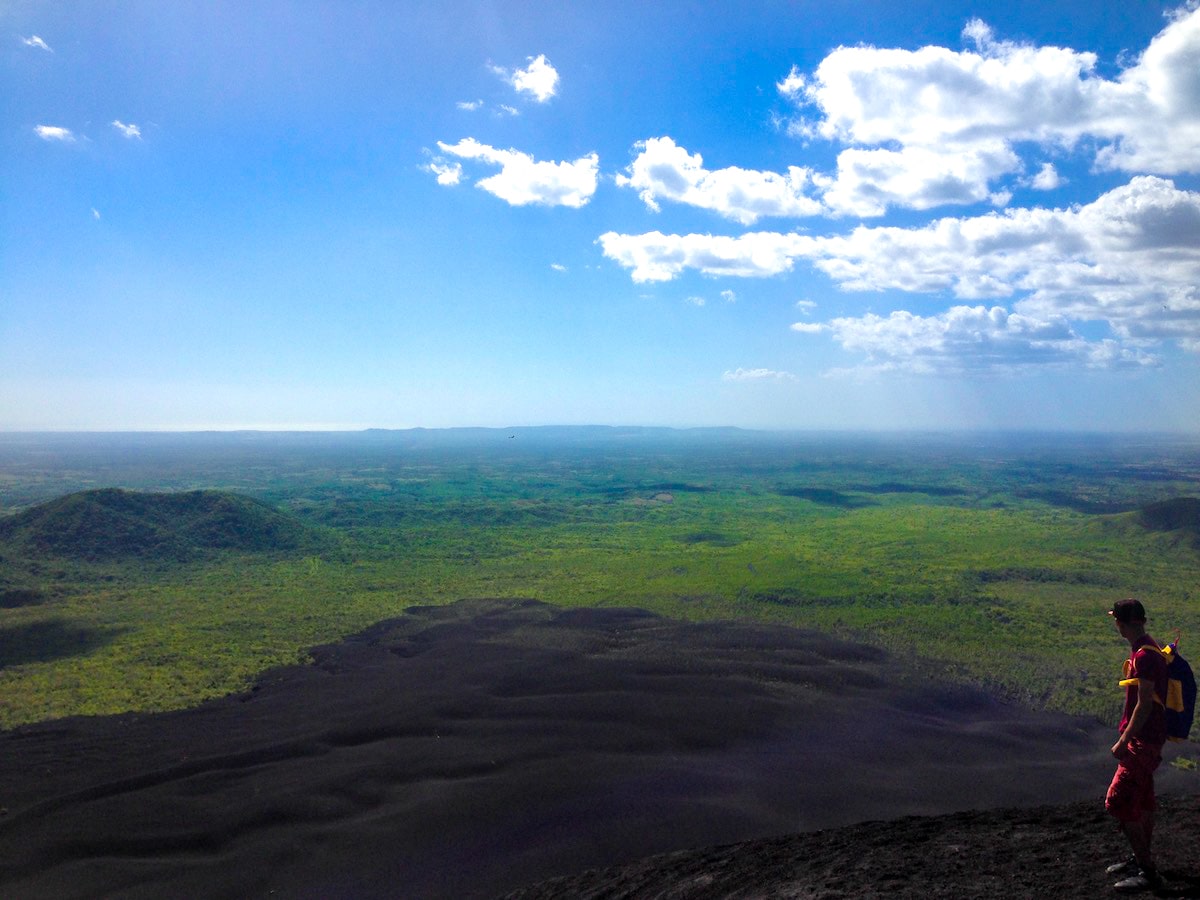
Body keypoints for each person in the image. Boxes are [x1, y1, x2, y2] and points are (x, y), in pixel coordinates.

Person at [1104, 598, 1169, 893]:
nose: (1115, 625)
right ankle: (1140, 860)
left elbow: (1143, 705)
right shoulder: (1147, 649)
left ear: (1124, 623)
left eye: (1116, 620)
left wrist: (1124, 740)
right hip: (1150, 738)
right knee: (1143, 800)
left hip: (1142, 741)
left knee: (1118, 800)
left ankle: (1148, 872)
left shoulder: (1144, 656)